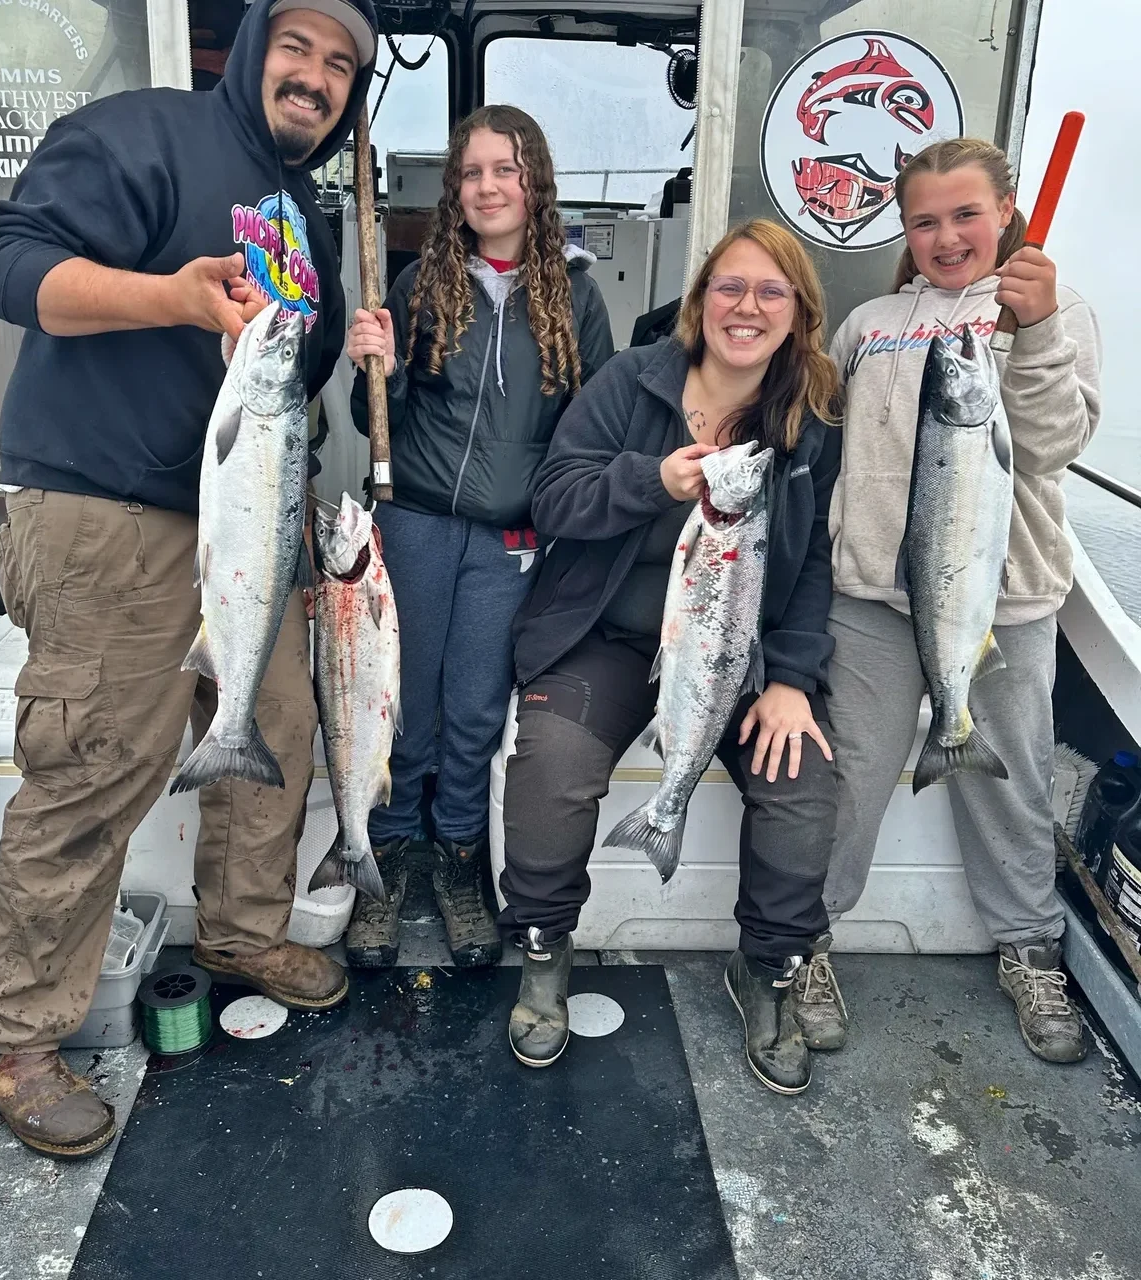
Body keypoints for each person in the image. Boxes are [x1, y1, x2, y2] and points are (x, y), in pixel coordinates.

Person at [0, 0, 379, 1159]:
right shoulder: (140, 135)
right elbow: (7, 266)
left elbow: (292, 376)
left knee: (278, 729)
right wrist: (172, 296)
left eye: (339, 65)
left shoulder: (302, 210)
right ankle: (17, 1034)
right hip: (108, 512)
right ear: (251, 49)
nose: (314, 77)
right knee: (99, 761)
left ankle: (244, 932)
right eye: (295, 47)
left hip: (245, 524)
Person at [498, 218, 843, 1094]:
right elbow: (555, 497)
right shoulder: (629, 384)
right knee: (549, 766)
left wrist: (794, 683)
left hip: (734, 656)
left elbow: (809, 571)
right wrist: (652, 481)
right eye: (730, 286)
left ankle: (766, 971)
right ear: (699, 303)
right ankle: (543, 951)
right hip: (606, 640)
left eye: (772, 291)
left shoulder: (807, 419)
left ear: (798, 312)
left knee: (802, 784)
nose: (747, 306)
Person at [793, 137, 1102, 1065]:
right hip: (873, 600)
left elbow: (1051, 443)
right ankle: (806, 939)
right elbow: (829, 443)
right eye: (924, 220)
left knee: (1016, 786)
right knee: (848, 778)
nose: (946, 235)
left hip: (1004, 602)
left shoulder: (1052, 307)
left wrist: (1038, 328)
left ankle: (1027, 947)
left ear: (1006, 212)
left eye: (966, 215)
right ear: (902, 227)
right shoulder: (873, 321)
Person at [344, 105, 615, 970]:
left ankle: (461, 860)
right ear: (454, 191)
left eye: (506, 169)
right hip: (413, 523)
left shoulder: (576, 294)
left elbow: (593, 427)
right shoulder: (421, 284)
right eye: (472, 172)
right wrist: (369, 367)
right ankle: (388, 859)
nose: (488, 185)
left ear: (534, 184)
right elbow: (370, 421)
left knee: (471, 711)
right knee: (402, 708)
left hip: (510, 543)